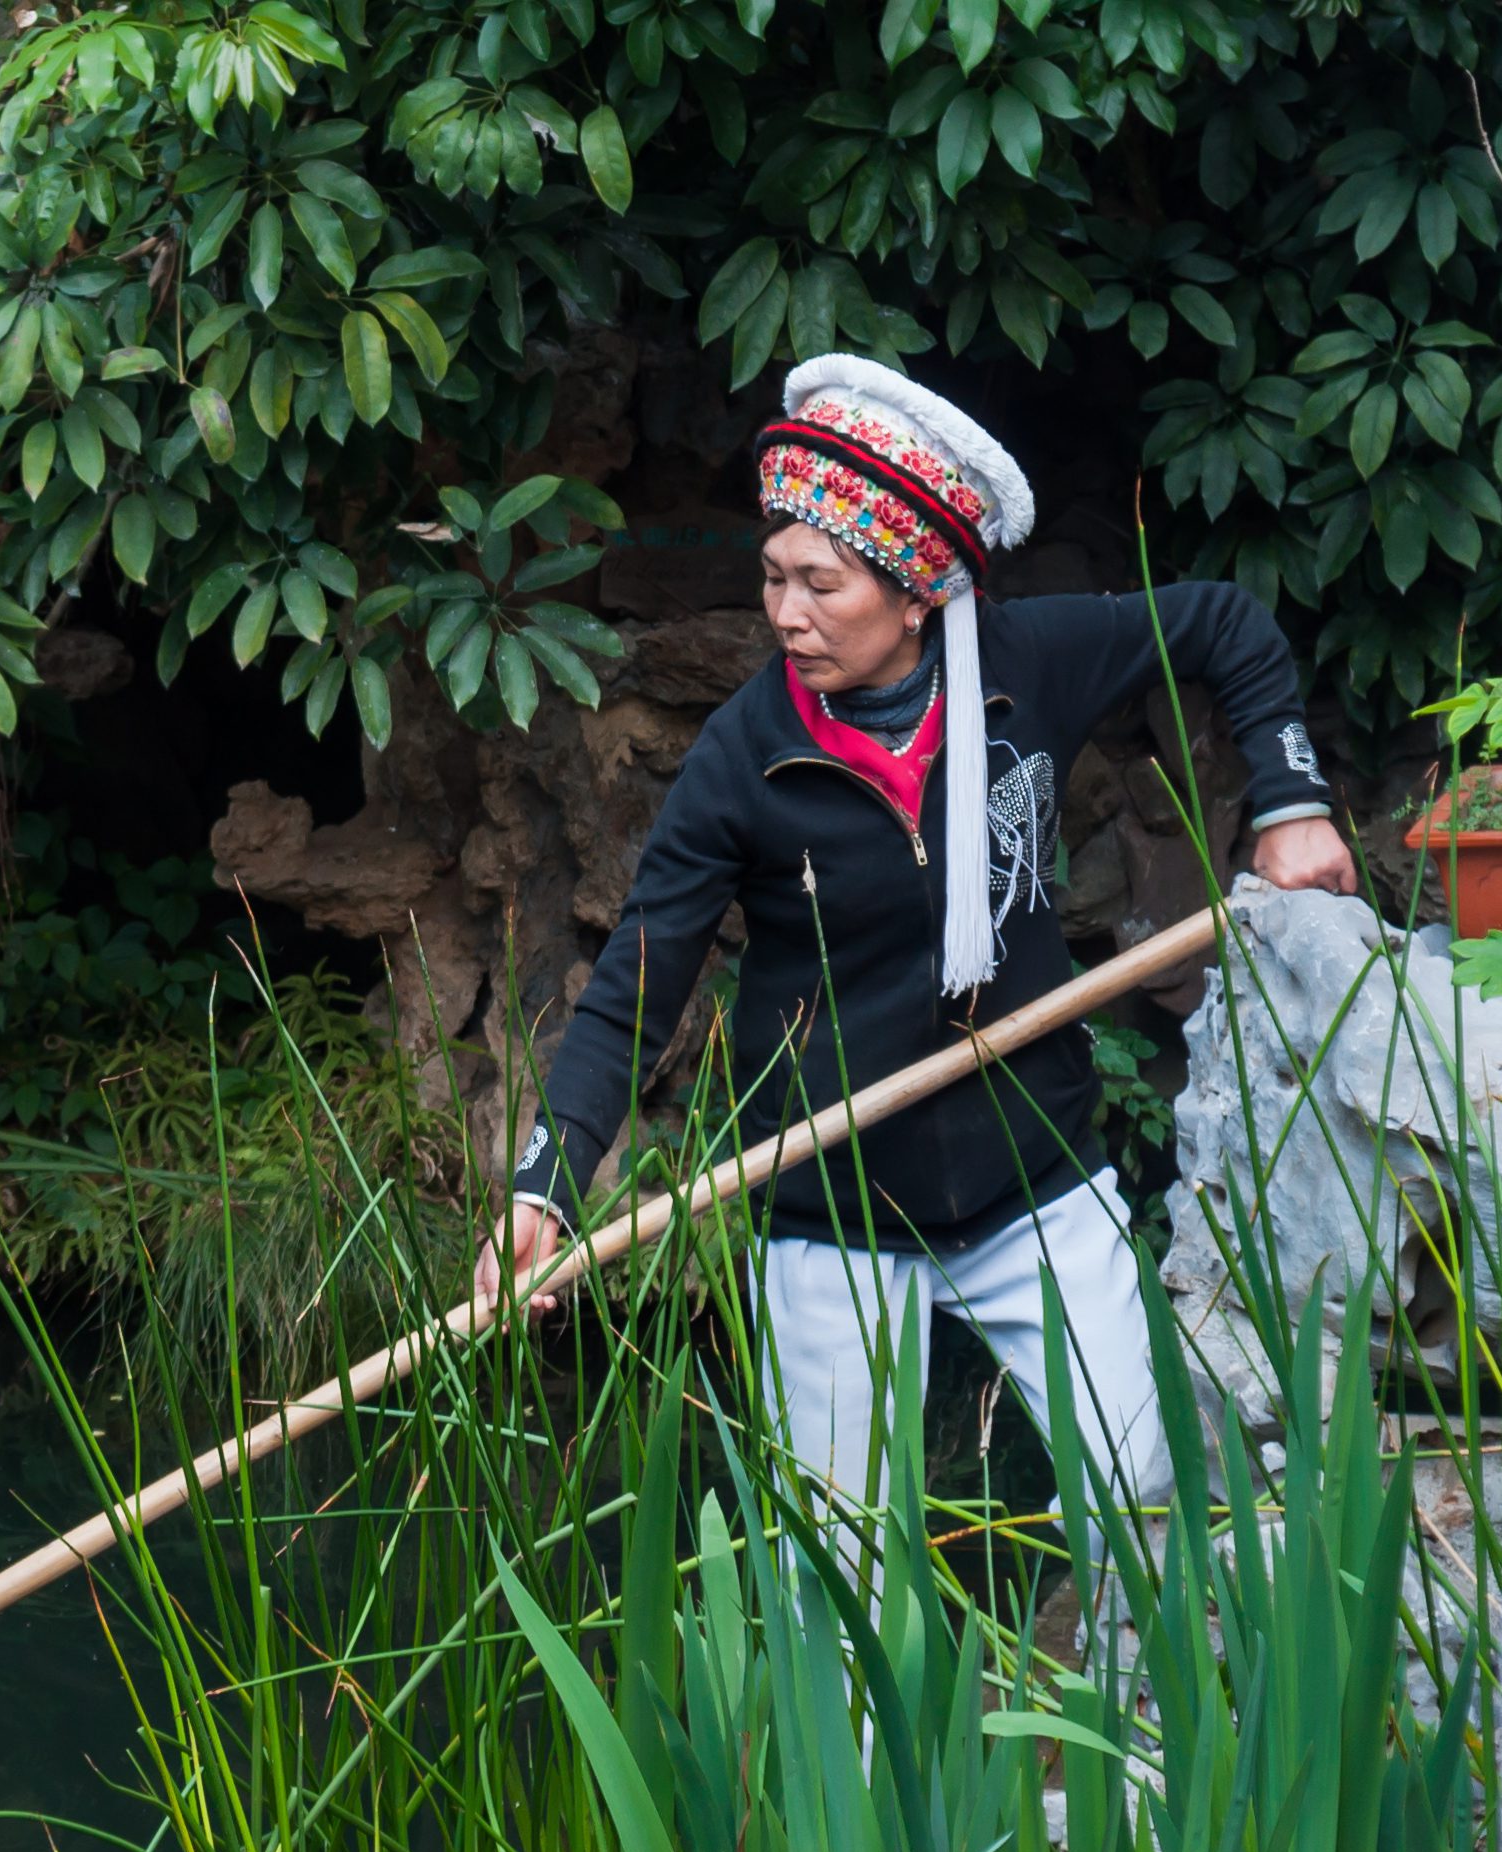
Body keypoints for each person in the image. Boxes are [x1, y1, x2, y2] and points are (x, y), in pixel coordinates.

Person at [472, 354, 1357, 1515]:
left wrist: (1291, 806)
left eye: (821, 583)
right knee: (833, 1571)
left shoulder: (1028, 664)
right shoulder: (744, 756)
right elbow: (636, 983)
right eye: (773, 575)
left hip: (1037, 1174)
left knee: (1150, 1504)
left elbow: (1225, 624)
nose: (784, 613)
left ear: (914, 590)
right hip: (828, 1207)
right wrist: (543, 1187)